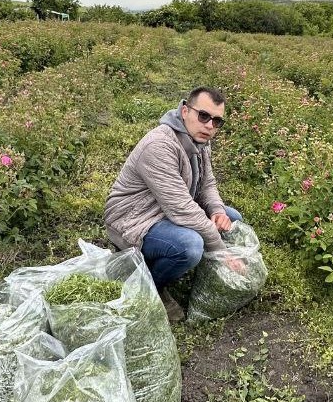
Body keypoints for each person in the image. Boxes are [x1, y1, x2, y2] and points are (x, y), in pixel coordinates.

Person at [104, 86, 243, 321]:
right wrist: (221, 252)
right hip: (134, 219)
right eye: (204, 116)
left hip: (167, 209)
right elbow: (182, 208)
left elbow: (207, 184)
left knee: (233, 219)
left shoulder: (200, 140)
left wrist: (217, 211)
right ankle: (149, 287)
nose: (210, 125)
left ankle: (189, 260)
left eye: (217, 121)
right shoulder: (159, 145)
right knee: (190, 246)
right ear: (185, 111)